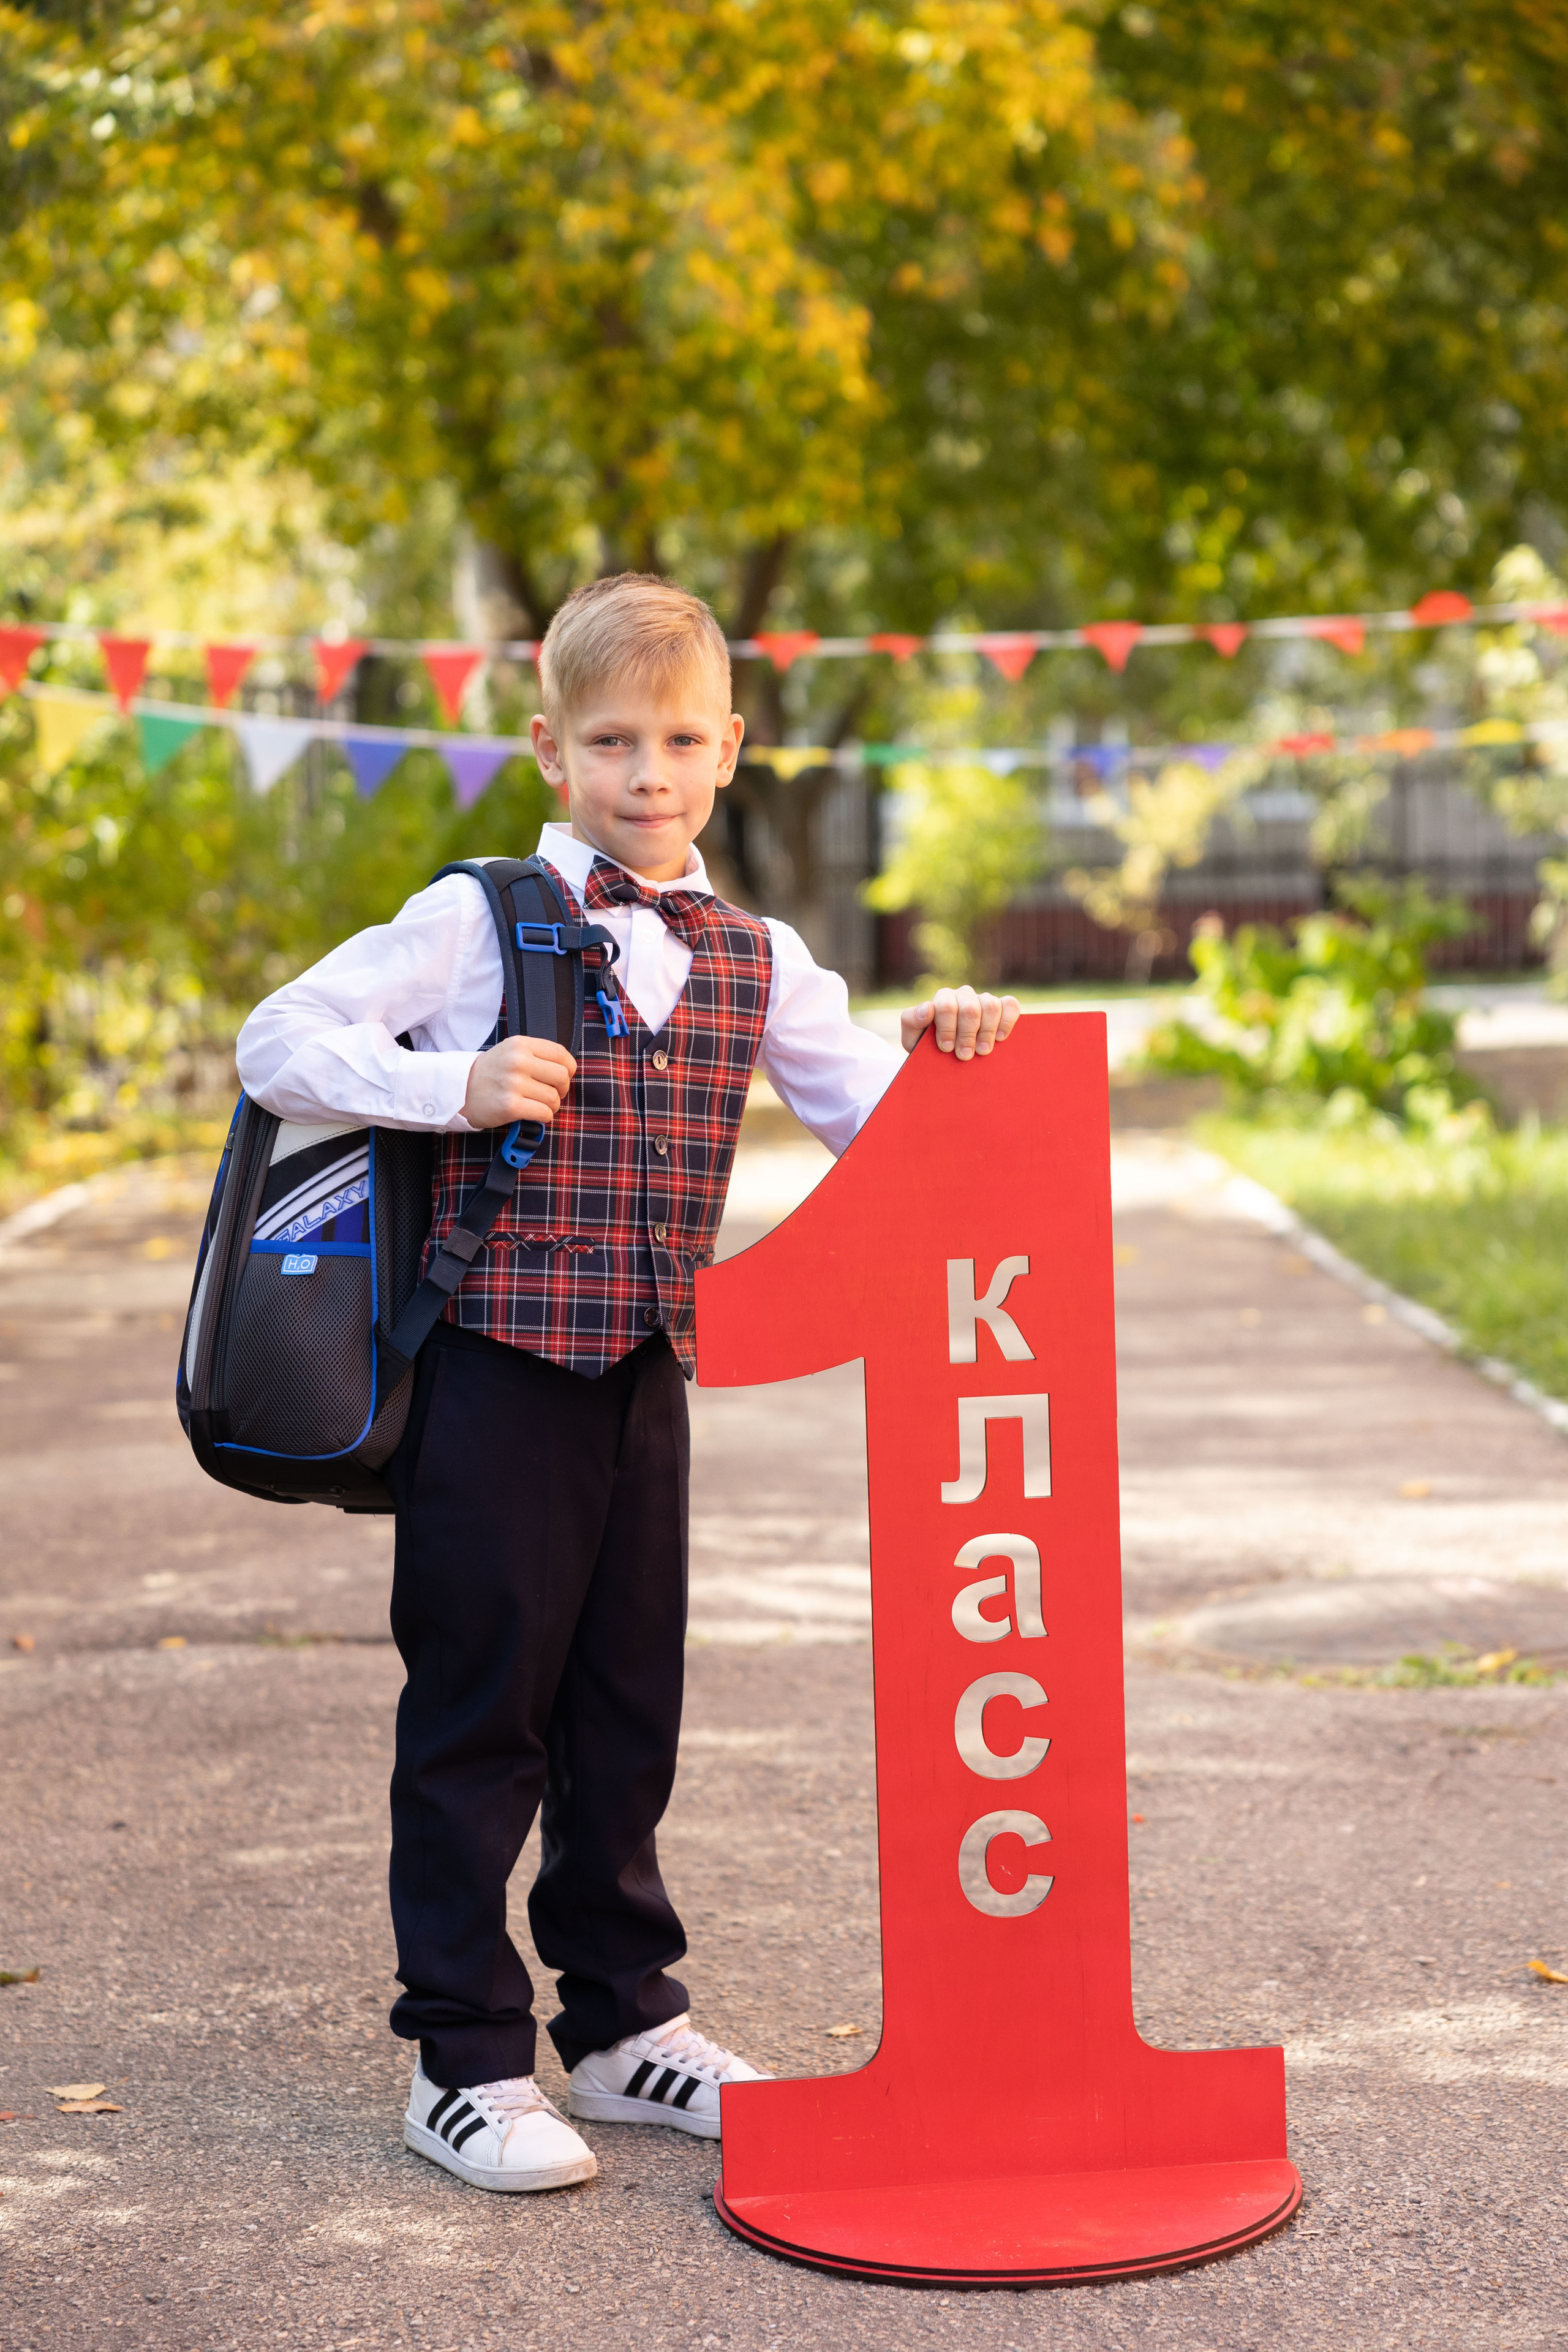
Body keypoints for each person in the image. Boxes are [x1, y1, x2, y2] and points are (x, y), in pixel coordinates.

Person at [236, 573, 1022, 2193]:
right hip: (493, 1371)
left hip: (646, 1377)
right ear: (549, 748)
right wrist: (445, 1084)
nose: (646, 772)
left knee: (624, 1706)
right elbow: (277, 1042)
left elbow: (890, 1133)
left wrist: (955, 1046)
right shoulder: (479, 916)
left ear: (730, 748)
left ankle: (622, 2026)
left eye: (677, 739)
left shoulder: (760, 955)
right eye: (611, 741)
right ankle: (462, 2059)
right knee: (483, 1708)